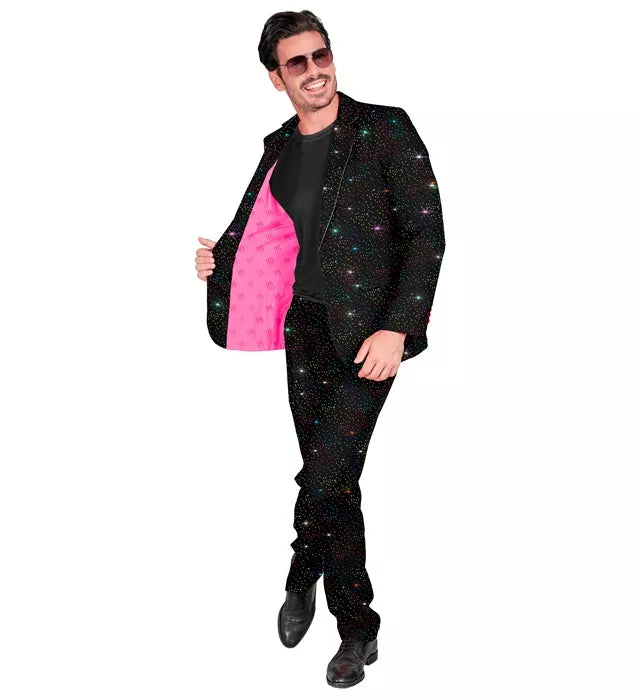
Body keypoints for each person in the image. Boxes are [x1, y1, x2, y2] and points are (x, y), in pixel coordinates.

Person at [195, 10, 445, 689]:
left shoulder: (384, 127)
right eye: (297, 62)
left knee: (327, 473)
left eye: (321, 55)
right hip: (302, 327)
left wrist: (398, 327)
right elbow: (259, 228)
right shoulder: (278, 145)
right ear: (276, 78)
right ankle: (335, 599)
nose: (315, 70)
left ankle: (341, 609)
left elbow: (426, 234)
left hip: (369, 334)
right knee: (333, 479)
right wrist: (218, 261)